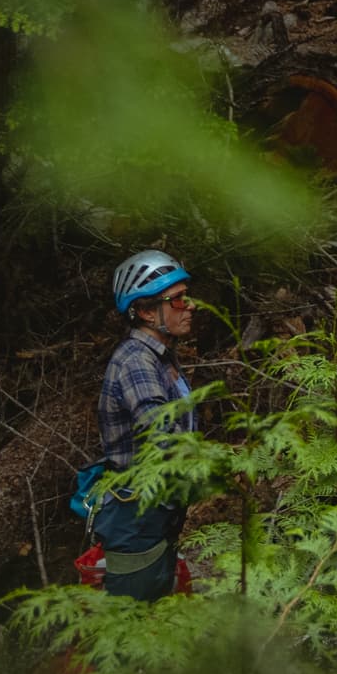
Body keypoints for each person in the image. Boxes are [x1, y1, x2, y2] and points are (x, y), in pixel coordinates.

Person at [86, 248, 201, 601]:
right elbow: (163, 435)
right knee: (132, 623)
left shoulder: (159, 357)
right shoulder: (137, 362)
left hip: (156, 512)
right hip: (136, 517)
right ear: (148, 311)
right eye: (178, 300)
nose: (190, 306)